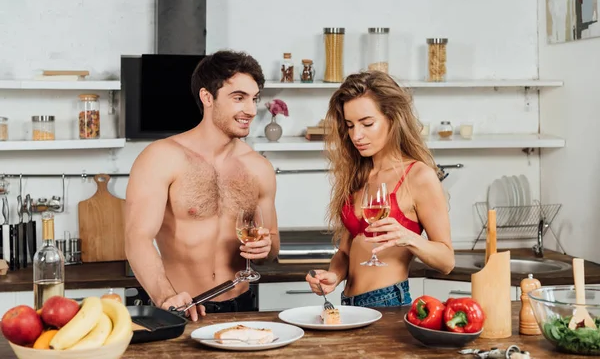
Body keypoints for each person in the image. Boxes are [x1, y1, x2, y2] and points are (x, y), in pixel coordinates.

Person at [125, 50, 280, 320]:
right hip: (181, 306)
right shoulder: (161, 157)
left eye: (254, 99)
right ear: (208, 97)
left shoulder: (259, 167)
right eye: (238, 98)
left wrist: (266, 248)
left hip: (241, 306)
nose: (251, 110)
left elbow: (273, 245)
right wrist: (165, 298)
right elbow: (136, 238)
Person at [305, 70, 454, 307]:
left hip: (388, 301)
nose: (356, 135)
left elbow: (447, 260)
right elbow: (345, 252)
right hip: (349, 303)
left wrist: (408, 238)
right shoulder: (358, 175)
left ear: (392, 119)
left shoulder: (418, 175)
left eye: (367, 123)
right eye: (350, 125)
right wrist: (333, 276)